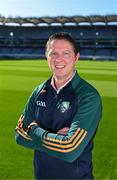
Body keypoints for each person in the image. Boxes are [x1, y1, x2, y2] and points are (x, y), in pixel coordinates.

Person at [15, 32, 102, 179]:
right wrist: (57, 138)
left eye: (66, 53)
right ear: (46, 57)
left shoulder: (88, 96)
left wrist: (35, 129)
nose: (58, 59)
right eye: (53, 53)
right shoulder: (38, 91)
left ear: (76, 57)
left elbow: (69, 149)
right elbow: (19, 135)